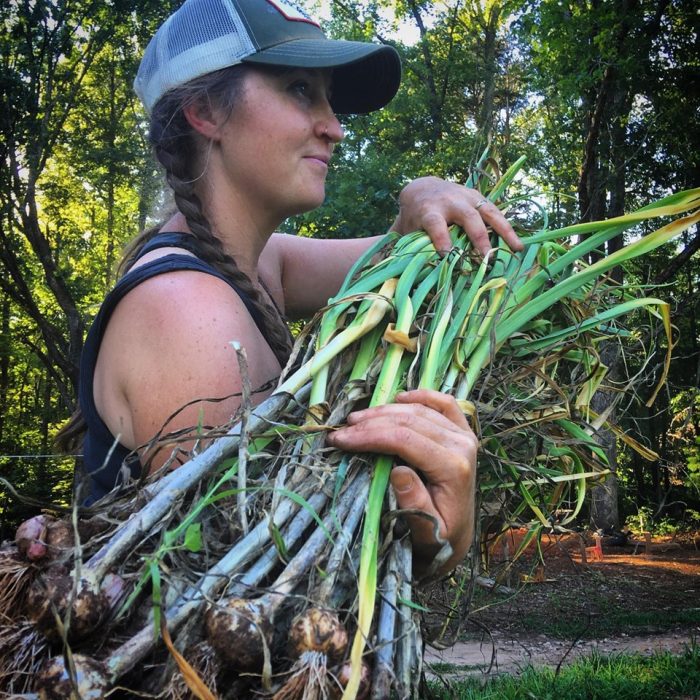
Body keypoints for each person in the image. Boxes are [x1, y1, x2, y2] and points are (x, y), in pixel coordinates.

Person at [57, 0, 522, 577]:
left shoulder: (259, 264)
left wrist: (423, 195)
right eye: (301, 89)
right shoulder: (186, 311)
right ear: (206, 111)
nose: (334, 126)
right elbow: (245, 591)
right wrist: (437, 547)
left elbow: (407, 249)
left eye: (329, 98)